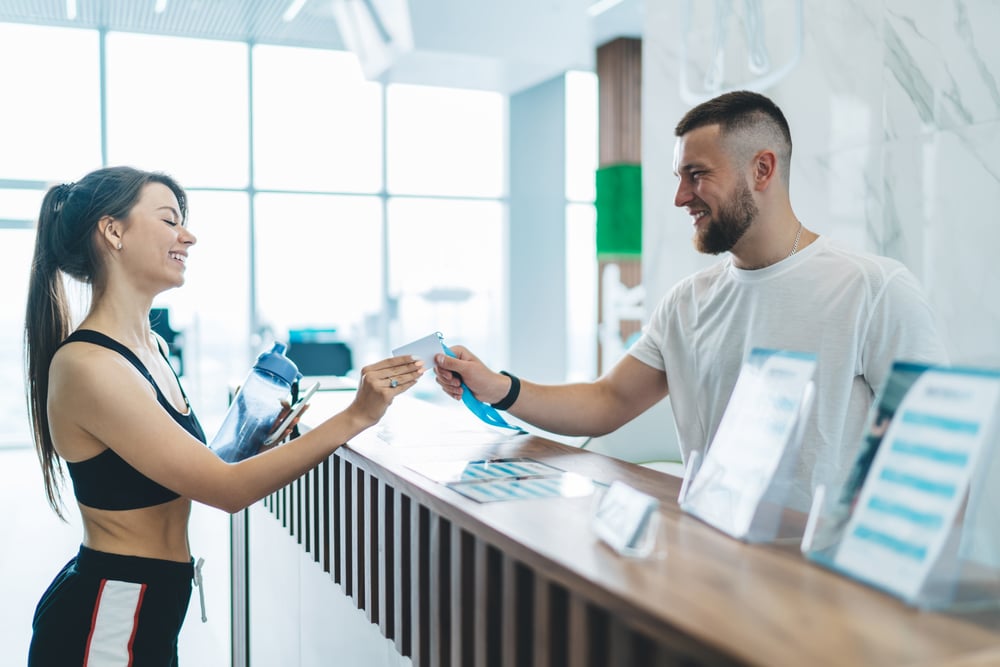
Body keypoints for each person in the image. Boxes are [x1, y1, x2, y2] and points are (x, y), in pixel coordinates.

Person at [435, 90, 948, 511]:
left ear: (762, 170)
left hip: (819, 585)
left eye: (696, 175)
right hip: (706, 564)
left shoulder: (874, 290)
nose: (681, 197)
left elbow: (933, 454)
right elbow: (606, 402)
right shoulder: (688, 302)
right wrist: (498, 386)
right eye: (680, 177)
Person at [23, 166, 424, 665]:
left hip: (149, 607)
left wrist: (260, 439)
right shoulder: (89, 365)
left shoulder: (150, 347)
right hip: (109, 616)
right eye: (170, 220)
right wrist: (358, 414)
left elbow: (191, 469)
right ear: (113, 231)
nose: (187, 236)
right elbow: (225, 490)